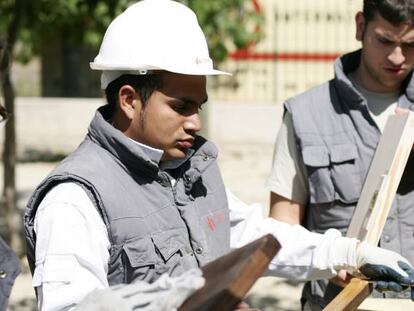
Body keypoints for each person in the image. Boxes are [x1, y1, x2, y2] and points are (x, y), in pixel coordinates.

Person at [23, 1, 414, 310]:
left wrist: (348, 252)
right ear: (128, 100)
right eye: (181, 106)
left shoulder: (189, 172)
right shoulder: (74, 199)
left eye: (199, 106)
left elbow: (255, 236)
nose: (195, 122)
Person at [267, 0, 414, 309]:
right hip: (336, 303)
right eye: (385, 41)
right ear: (360, 26)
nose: (397, 57)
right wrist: (330, 261)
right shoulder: (305, 115)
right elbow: (281, 227)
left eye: (411, 44)